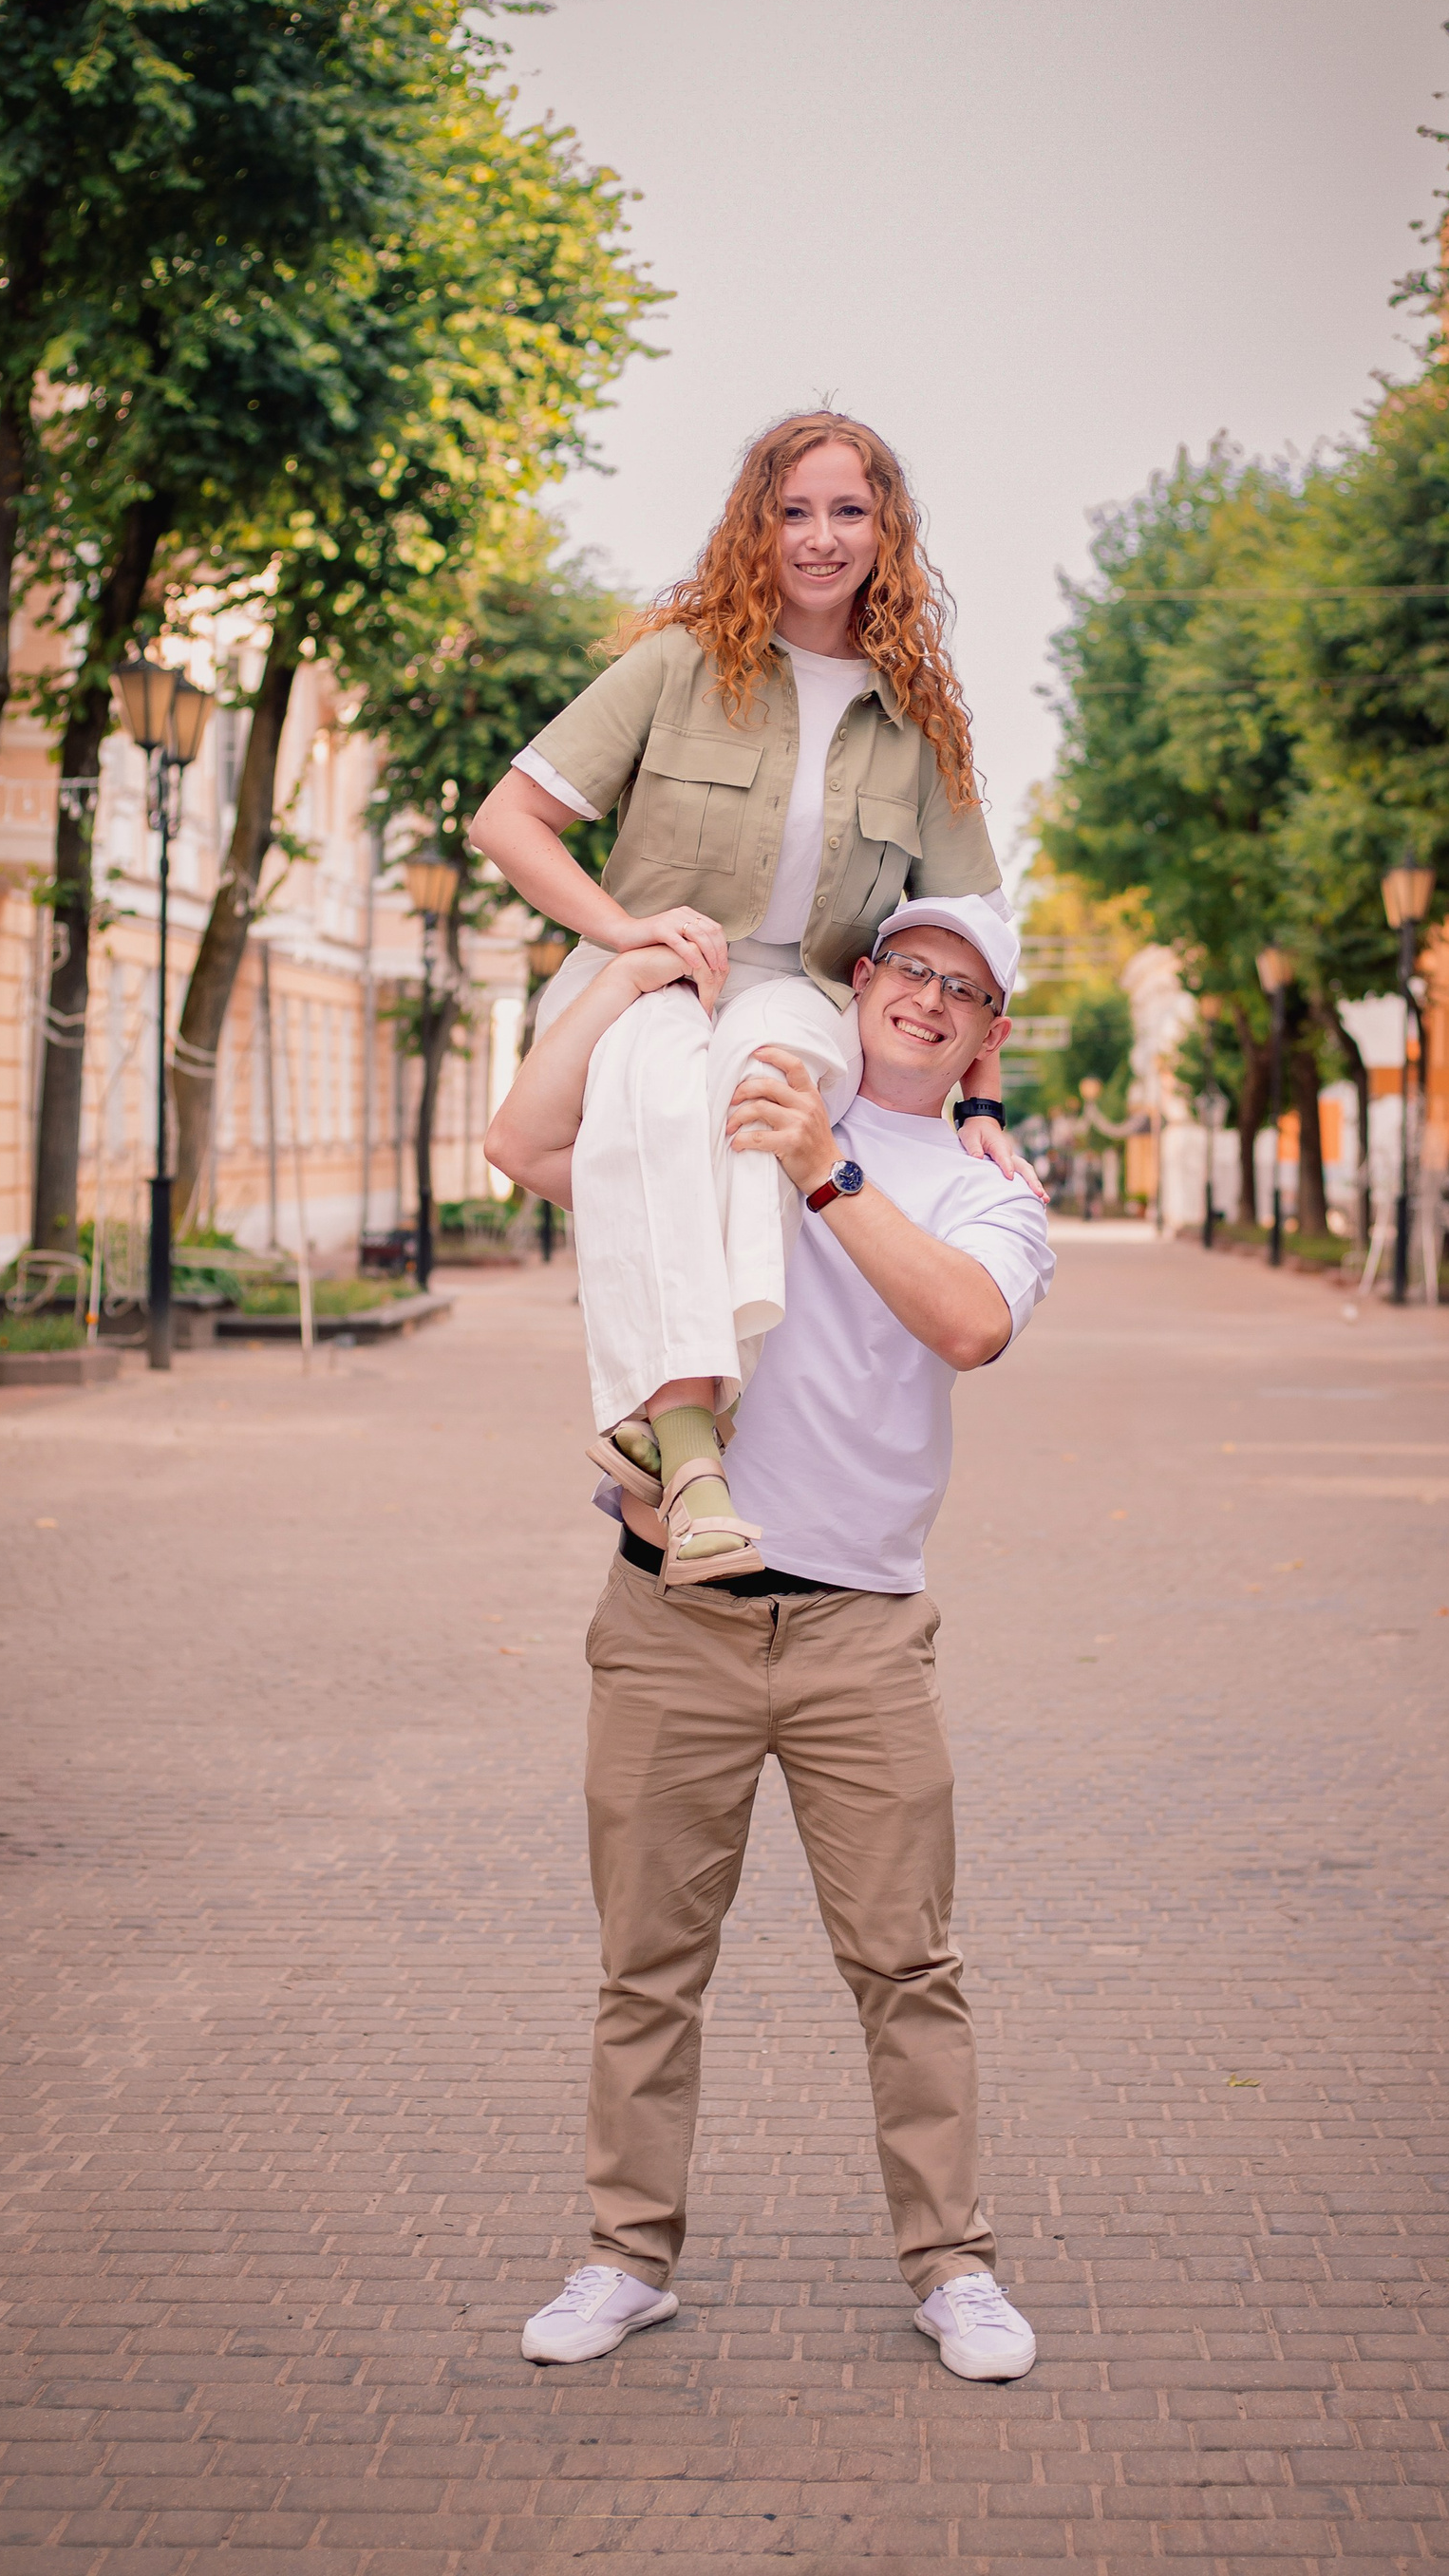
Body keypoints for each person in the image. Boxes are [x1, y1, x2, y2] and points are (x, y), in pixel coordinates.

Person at [482, 891, 1054, 2384]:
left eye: (962, 990)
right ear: (859, 979)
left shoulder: (987, 1185)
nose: (927, 998)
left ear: (989, 1034)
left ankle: (952, 2268)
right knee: (647, 1965)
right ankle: (626, 2259)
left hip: (862, 1628)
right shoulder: (733, 1097)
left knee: (907, 1965)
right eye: (908, 967)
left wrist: (826, 1168)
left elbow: (968, 1325)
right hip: (669, 1615)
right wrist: (630, 976)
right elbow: (524, 1146)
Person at [471, 412, 1037, 1589]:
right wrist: (624, 933)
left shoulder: (918, 719)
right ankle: (690, 1441)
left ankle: (675, 1445)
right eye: (793, 512)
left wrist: (982, 1106)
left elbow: (980, 933)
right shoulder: (679, 664)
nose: (820, 538)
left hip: (803, 992)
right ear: (755, 527)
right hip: (652, 973)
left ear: (886, 532)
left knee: (758, 1105)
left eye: (848, 512)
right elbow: (507, 819)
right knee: (667, 1082)